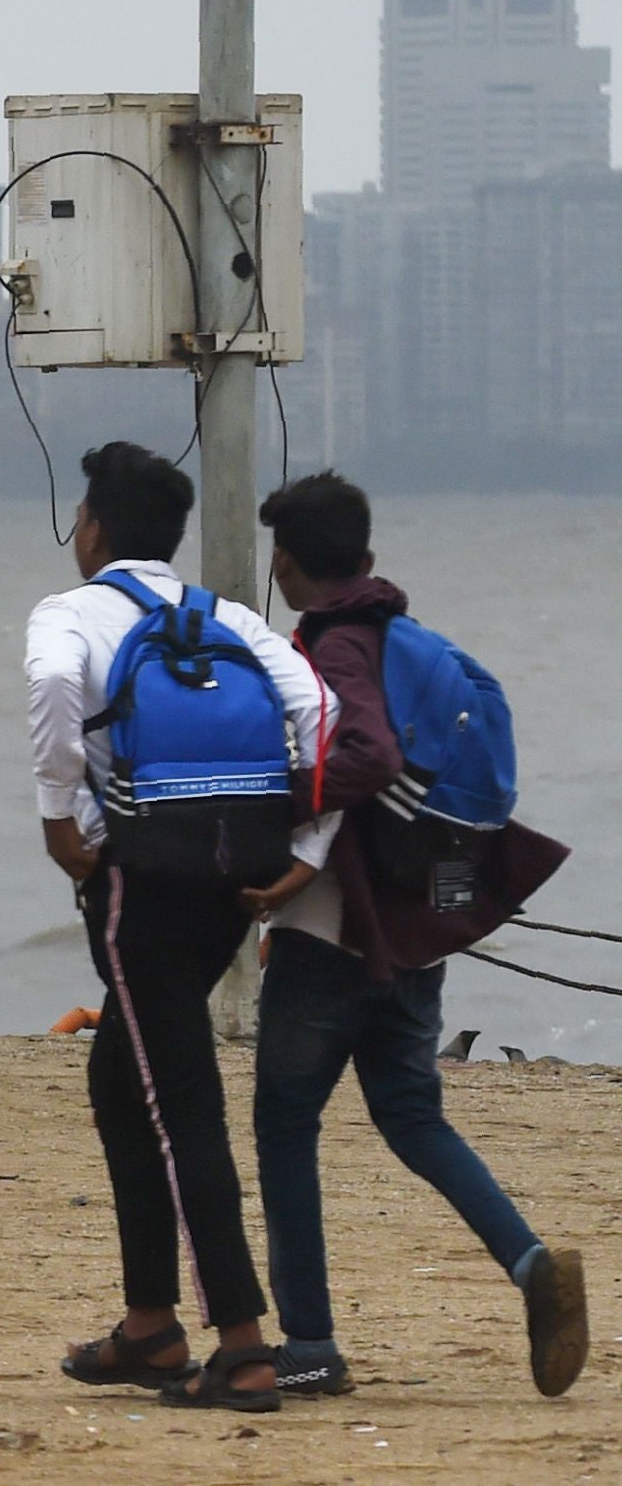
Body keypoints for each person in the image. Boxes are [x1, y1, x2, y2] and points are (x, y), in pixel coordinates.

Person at [241, 470, 584, 1401]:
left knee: (283, 1123)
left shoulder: (333, 643)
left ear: (284, 562)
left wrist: (280, 806)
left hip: (332, 934)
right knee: (413, 1117)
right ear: (364, 555)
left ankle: (308, 1342)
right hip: (412, 930)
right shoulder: (406, 640)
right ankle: (529, 1263)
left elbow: (369, 756)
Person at [28, 442, 333, 1417]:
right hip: (232, 880)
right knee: (120, 1078)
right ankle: (149, 1325)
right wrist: (306, 851)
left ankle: (240, 1349)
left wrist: (55, 821)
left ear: (95, 530)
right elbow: (317, 714)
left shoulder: (67, 613)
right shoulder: (230, 617)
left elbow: (50, 692)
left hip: (139, 885)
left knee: (177, 1105)